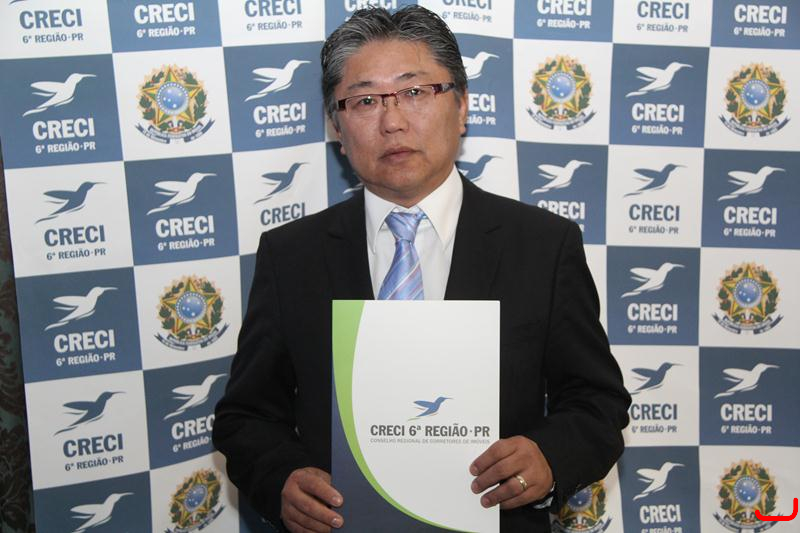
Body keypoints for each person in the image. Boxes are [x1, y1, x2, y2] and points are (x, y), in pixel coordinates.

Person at [213, 6, 631, 532]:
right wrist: (280, 480)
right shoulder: (291, 255)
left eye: (415, 92)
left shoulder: (543, 246)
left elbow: (597, 402)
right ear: (337, 125)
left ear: (461, 106)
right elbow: (246, 416)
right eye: (365, 101)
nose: (392, 122)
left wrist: (549, 458)